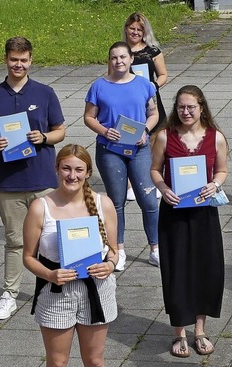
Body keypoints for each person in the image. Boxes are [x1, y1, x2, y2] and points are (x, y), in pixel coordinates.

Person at [22, 144, 118, 367]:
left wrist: (110, 265)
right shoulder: (40, 207)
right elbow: (27, 257)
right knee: (56, 365)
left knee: (95, 362)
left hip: (96, 288)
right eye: (66, 168)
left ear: (88, 173)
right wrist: (50, 275)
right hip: (56, 292)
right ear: (56, 169)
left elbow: (114, 250)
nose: (72, 175)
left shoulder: (103, 203)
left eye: (78, 169)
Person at [0, 36, 67, 320]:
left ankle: (59, 287)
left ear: (31, 60)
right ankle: (9, 294)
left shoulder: (45, 93)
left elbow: (61, 130)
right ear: (5, 60)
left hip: (43, 179)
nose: (18, 65)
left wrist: (44, 136)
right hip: (8, 182)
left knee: (53, 238)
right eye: (13, 60)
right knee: (14, 242)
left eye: (23, 60)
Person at [150, 85, 228, 358]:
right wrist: (163, 188)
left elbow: (222, 169)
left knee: (206, 269)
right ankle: (178, 332)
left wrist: (215, 184)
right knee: (177, 270)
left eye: (191, 107)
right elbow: (154, 170)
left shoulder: (216, 137)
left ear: (202, 108)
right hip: (174, 214)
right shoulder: (163, 137)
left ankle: (200, 329)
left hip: (204, 213)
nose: (185, 112)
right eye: (181, 107)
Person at [84, 41, 160, 270]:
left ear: (131, 59)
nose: (118, 61)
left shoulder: (144, 84)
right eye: (114, 57)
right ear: (110, 61)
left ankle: (156, 248)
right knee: (116, 202)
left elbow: (153, 113)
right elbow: (88, 118)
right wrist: (105, 131)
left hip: (139, 149)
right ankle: (118, 250)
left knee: (148, 200)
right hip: (110, 150)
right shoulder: (98, 86)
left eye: (123, 57)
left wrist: (146, 130)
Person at [122, 11, 168, 202]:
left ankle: (156, 182)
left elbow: (164, 75)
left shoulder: (153, 51)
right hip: (128, 103)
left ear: (144, 31)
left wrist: (153, 86)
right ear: (126, 29)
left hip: (150, 102)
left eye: (139, 29)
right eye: (132, 28)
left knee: (155, 143)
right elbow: (111, 77)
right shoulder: (120, 51)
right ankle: (130, 185)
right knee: (128, 141)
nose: (135, 32)